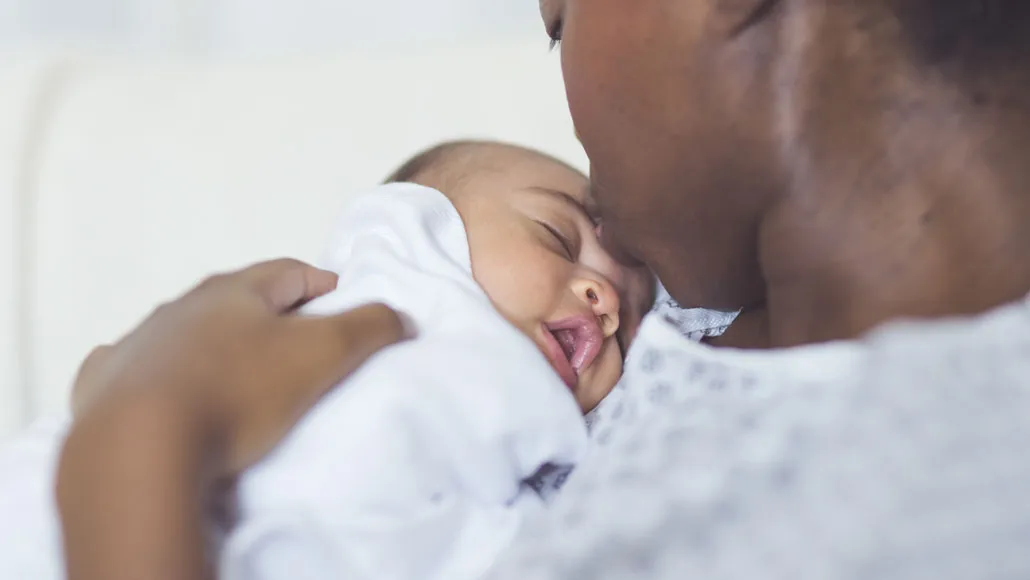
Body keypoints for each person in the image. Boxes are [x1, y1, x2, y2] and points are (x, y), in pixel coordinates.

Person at [54, 0, 1030, 578]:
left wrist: (143, 433)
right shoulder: (696, 298)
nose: (606, 289)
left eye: (560, 23)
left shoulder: (943, 491)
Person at [1, 140, 654, 580]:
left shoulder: (539, 472)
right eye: (555, 236)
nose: (603, 301)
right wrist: (150, 415)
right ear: (415, 227)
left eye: (629, 321)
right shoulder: (381, 322)